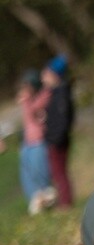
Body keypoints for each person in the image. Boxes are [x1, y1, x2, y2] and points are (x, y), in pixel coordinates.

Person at [16, 68, 55, 213]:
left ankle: (47, 199)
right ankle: (36, 200)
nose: (26, 89)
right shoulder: (29, 100)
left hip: (39, 140)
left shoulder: (42, 97)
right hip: (28, 142)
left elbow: (33, 111)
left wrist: (26, 101)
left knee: (41, 171)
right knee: (28, 174)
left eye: (28, 86)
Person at [42, 54, 75, 208]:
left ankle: (65, 203)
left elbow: (63, 120)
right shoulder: (56, 93)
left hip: (58, 140)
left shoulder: (61, 94)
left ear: (55, 76)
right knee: (57, 173)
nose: (44, 78)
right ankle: (63, 201)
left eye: (47, 74)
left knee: (60, 173)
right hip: (54, 138)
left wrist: (55, 137)